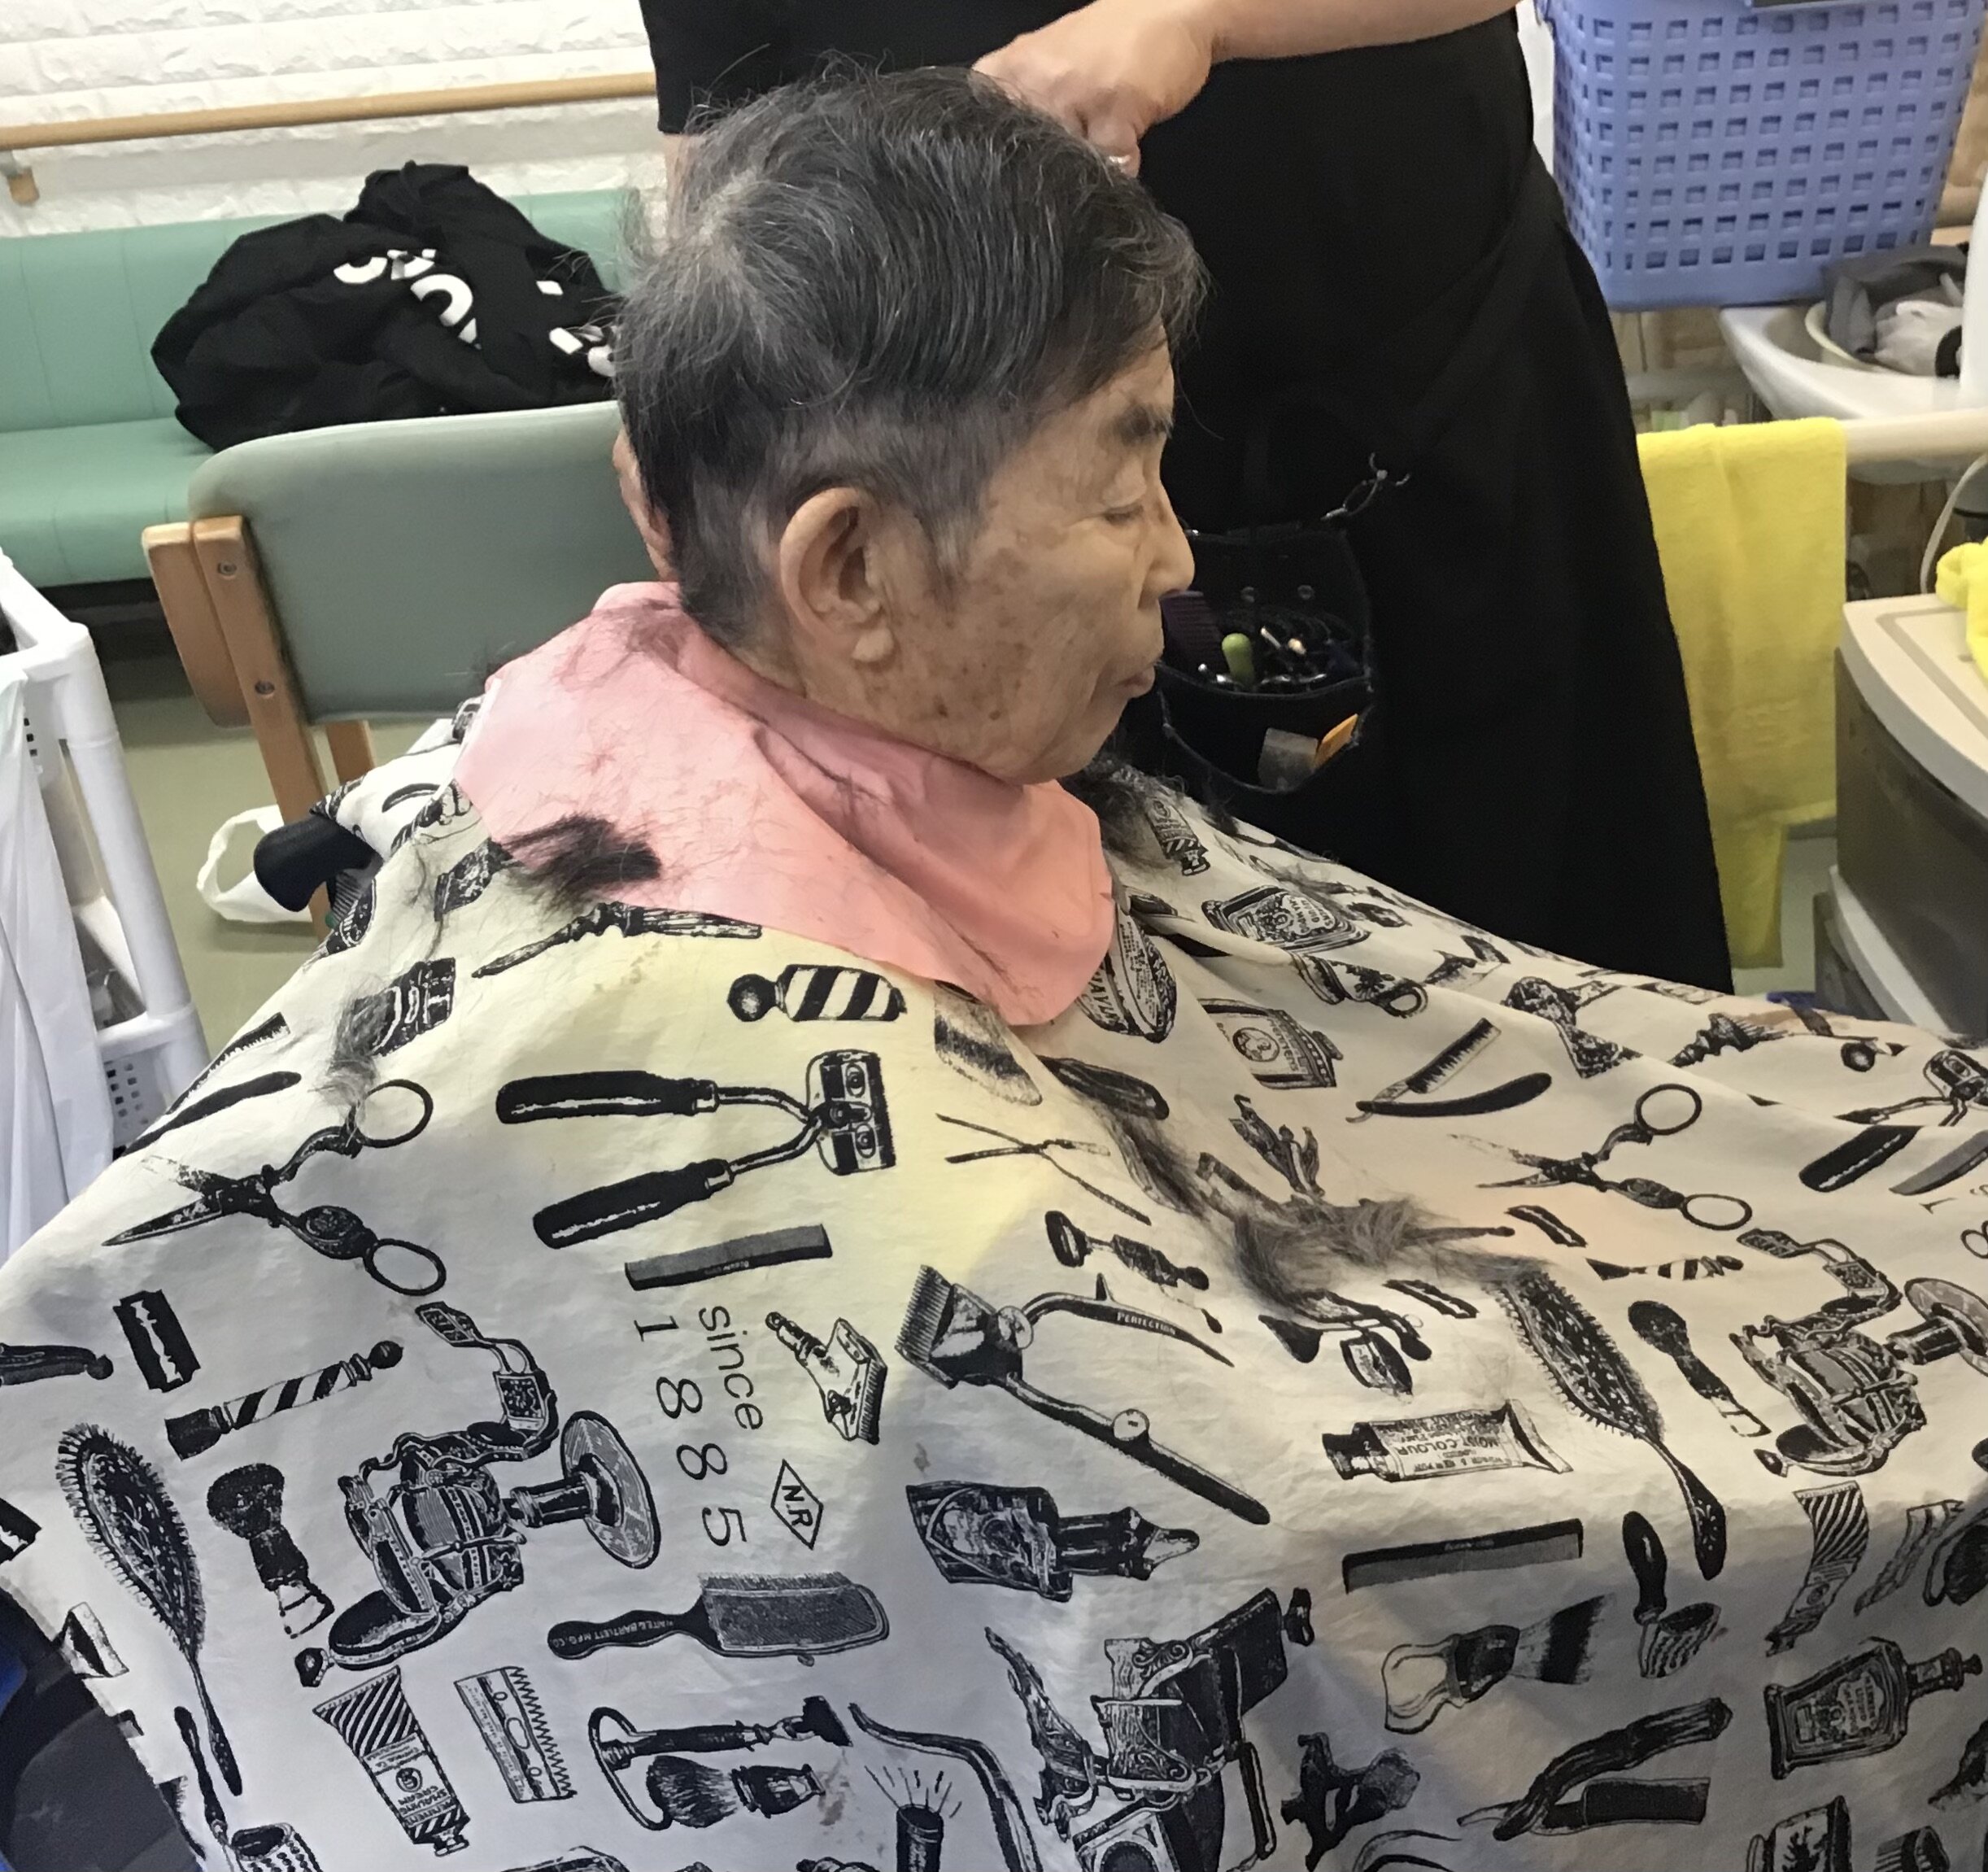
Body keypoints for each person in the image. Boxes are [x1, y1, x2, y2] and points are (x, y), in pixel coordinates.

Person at [1, 74, 1982, 1870]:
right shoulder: (714, 1063)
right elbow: (1268, 1538)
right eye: (1123, 487)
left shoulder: (692, 707)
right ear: (848, 571)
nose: (1178, 557)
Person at [634, 0, 1735, 993]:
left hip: (1433, 414)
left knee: (1550, 936)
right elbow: (719, 154)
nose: (1178, 569)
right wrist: (697, 411)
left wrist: (1200, 15)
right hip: (993, 529)